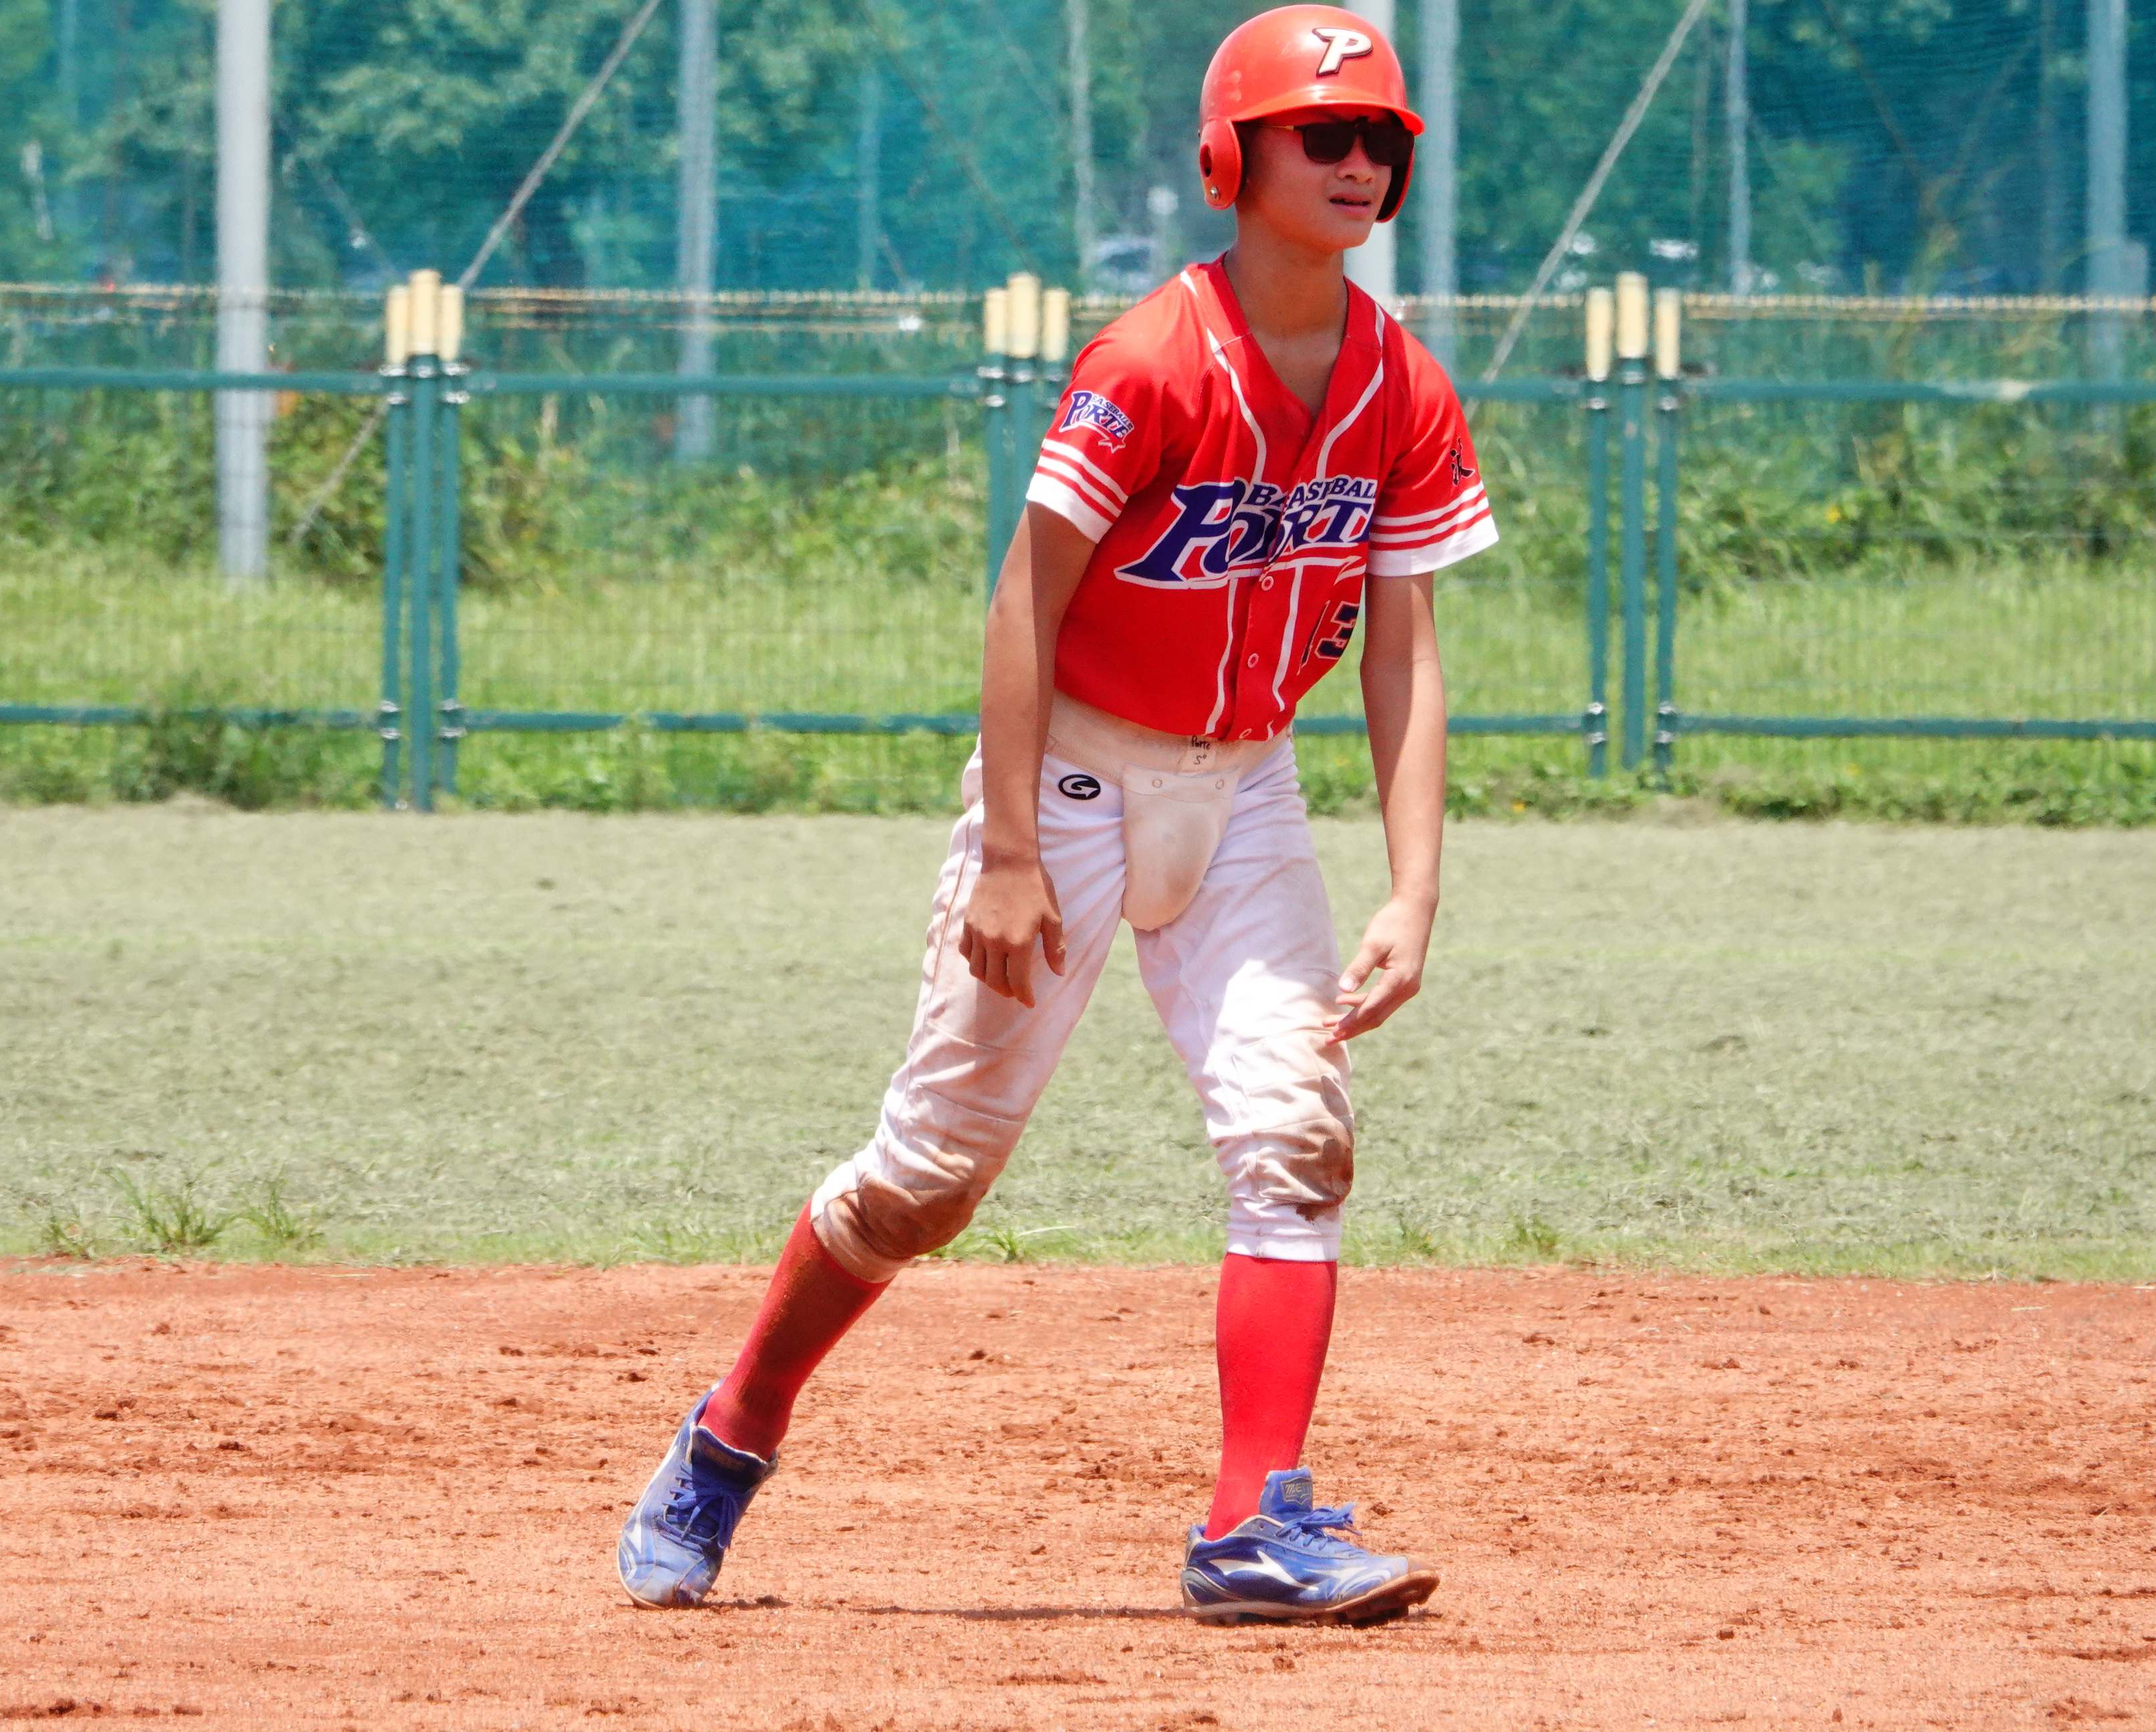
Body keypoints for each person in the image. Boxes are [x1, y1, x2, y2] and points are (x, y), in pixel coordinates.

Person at [616, 3, 1496, 1626]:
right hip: (1075, 784)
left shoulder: (1402, 383)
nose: (1359, 161)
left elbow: (1406, 652)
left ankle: (1252, 1529)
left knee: (1296, 1138)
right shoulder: (1151, 360)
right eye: (1323, 132)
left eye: (1381, 137)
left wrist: (1415, 888)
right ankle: (734, 1432)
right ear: (1235, 157)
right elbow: (1027, 599)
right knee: (929, 1181)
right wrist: (1012, 852)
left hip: (1247, 790)